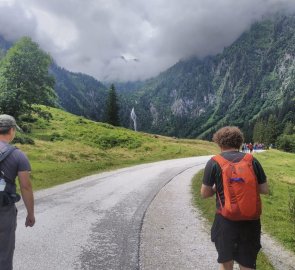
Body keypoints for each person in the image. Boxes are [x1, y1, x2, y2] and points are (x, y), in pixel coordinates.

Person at [201, 126, 269, 270]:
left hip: (225, 221)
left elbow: (204, 193)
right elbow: (264, 189)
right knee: (247, 264)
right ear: (240, 142)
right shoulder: (252, 160)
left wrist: (216, 188)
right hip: (251, 222)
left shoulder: (214, 162)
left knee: (226, 263)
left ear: (219, 143)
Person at [0, 115, 35, 270]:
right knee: (4, 254)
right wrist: (30, 214)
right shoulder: (18, 155)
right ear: (12, 130)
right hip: (3, 210)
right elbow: (25, 187)